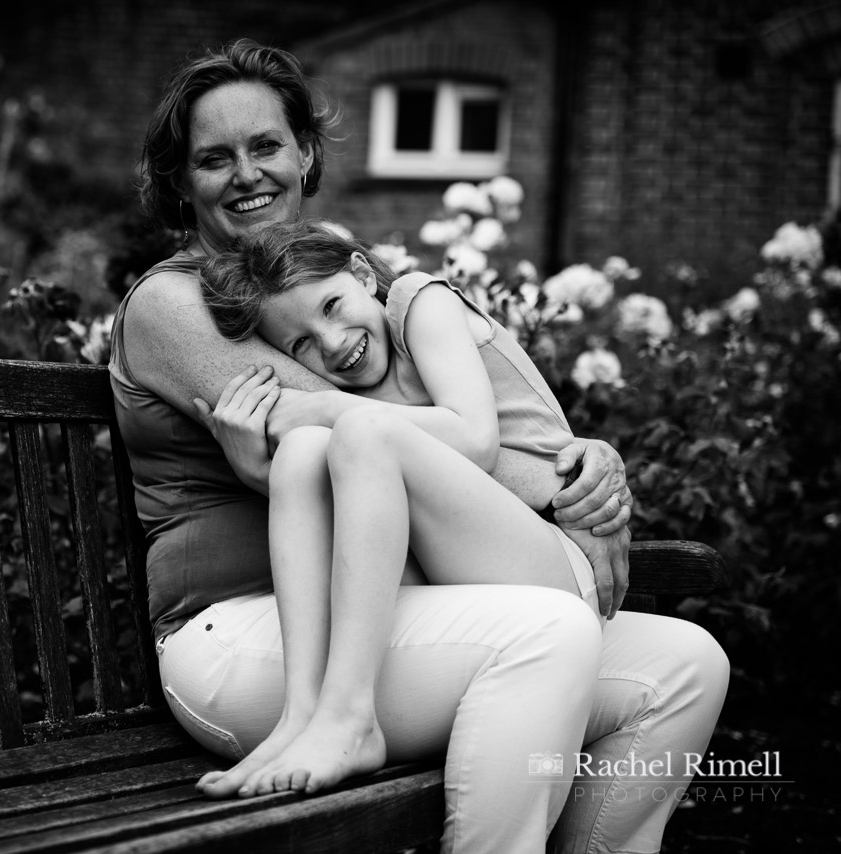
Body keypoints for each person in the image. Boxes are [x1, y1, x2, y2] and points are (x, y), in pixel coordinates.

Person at [109, 38, 727, 853]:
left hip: (389, 612)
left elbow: (452, 430)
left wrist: (584, 467)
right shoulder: (173, 302)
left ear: (304, 153)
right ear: (182, 184)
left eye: (266, 146)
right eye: (214, 159)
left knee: (683, 666)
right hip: (247, 637)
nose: (247, 174)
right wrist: (560, 487)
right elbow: (351, 426)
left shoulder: (322, 292)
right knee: (547, 631)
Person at [192, 219, 604, 796]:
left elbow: (474, 439)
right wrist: (261, 467)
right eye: (301, 345)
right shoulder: (360, 397)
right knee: (310, 450)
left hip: (552, 562)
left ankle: (351, 716)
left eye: (333, 306)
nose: (332, 343)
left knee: (354, 433)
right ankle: (301, 718)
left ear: (363, 275)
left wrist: (321, 409)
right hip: (457, 578)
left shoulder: (418, 301)